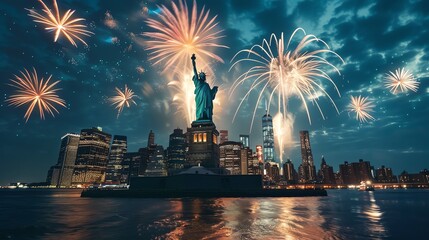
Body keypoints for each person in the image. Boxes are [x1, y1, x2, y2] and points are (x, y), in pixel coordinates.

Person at [191, 54, 218, 121]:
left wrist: (214, 90)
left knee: (207, 109)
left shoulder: (206, 85)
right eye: (201, 75)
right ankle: (200, 117)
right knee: (200, 110)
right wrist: (193, 61)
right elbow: (195, 71)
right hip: (200, 100)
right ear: (200, 76)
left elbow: (211, 95)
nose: (203, 76)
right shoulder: (198, 82)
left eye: (203, 76)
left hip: (207, 101)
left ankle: (206, 117)